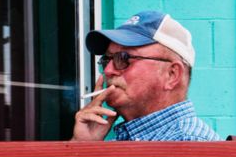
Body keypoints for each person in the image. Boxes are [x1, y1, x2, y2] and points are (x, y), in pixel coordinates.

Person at [72, 11, 220, 141]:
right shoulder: (122, 143)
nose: (108, 70)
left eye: (123, 58)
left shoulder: (189, 143)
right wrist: (82, 147)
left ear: (172, 75)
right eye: (106, 60)